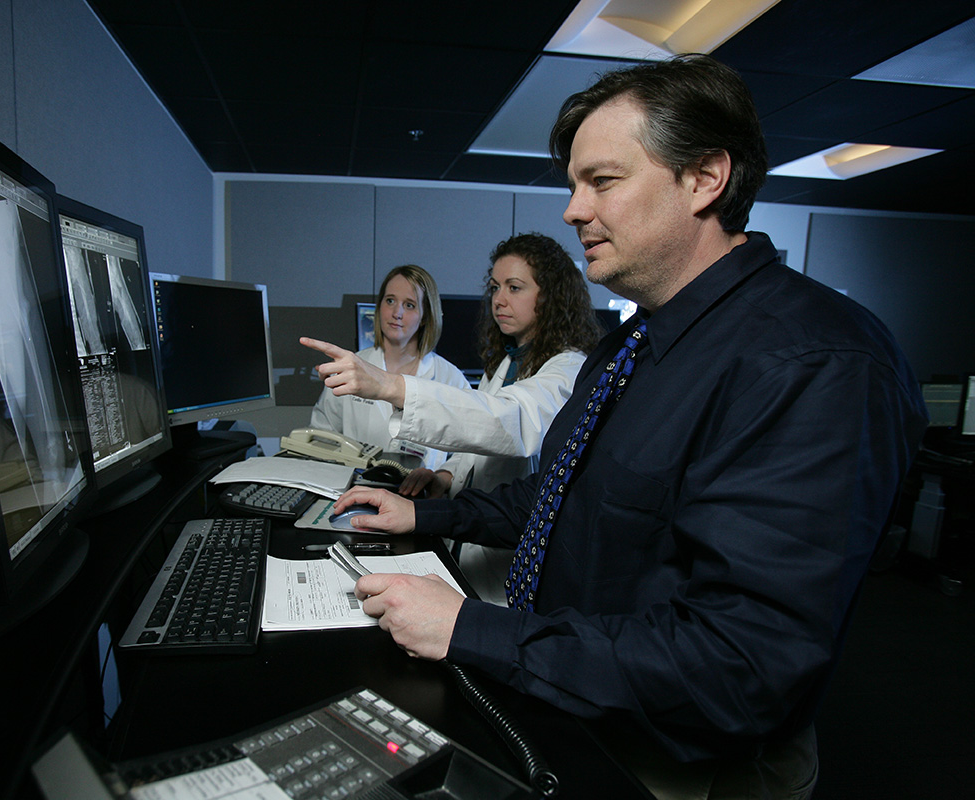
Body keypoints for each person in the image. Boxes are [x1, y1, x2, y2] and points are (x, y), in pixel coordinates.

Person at [327, 54, 928, 799]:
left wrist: (470, 629)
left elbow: (741, 663)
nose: (574, 210)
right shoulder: (631, 343)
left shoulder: (816, 362)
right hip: (571, 705)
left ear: (705, 177)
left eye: (602, 181)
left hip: (679, 770)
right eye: (574, 186)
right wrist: (423, 512)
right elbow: (560, 497)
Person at [303, 232, 601, 605]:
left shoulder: (568, 368)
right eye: (494, 287)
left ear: (552, 296)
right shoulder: (509, 360)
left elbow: (509, 421)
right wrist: (445, 476)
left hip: (505, 550)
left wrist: (390, 387)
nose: (499, 300)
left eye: (515, 287)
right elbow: (476, 445)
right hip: (464, 530)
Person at [307, 264, 469, 470]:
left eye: (409, 305)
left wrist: (444, 476)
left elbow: (468, 452)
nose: (396, 313)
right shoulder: (351, 368)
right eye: (390, 300)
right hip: (354, 490)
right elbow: (321, 435)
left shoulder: (450, 379)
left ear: (425, 317)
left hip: (420, 498)